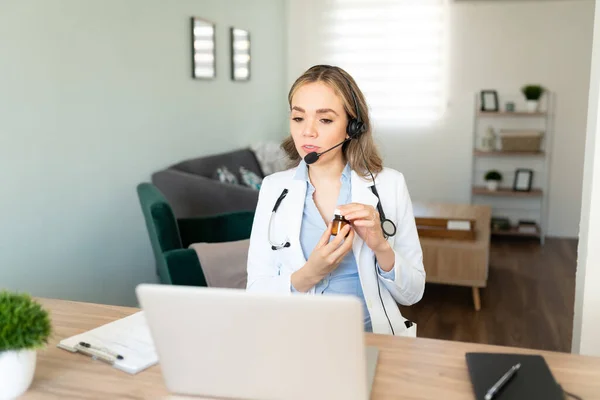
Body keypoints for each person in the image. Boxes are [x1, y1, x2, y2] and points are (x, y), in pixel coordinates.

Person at [245, 65, 425, 335]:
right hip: (294, 338)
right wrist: (309, 274)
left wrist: (381, 247)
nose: (308, 132)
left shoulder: (390, 185)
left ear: (352, 127)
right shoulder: (273, 188)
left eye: (325, 120)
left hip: (370, 340)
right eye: (298, 118)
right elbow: (256, 292)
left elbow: (412, 294)